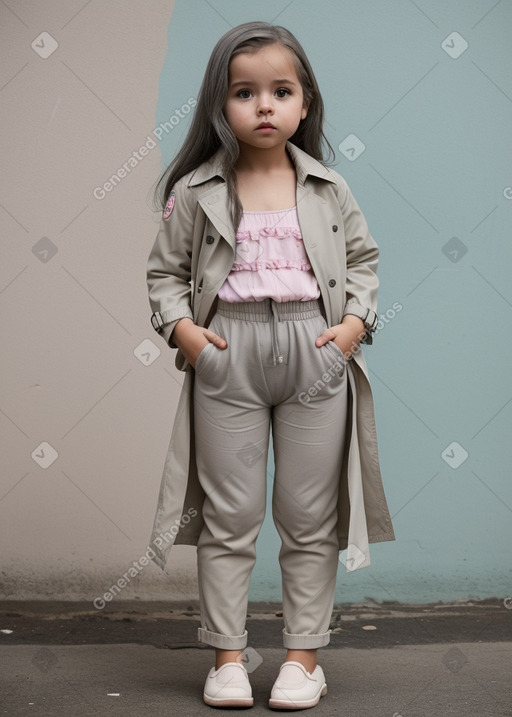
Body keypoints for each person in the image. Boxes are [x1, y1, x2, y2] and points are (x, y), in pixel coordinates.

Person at [147, 20, 395, 710]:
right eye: (244, 92)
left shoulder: (328, 189)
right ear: (219, 107)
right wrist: (186, 334)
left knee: (308, 516)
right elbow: (165, 274)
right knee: (230, 514)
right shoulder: (196, 191)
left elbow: (364, 263)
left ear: (304, 102)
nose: (264, 106)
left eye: (280, 91)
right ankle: (228, 657)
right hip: (228, 353)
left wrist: (350, 326)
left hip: (315, 354)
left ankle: (302, 658)